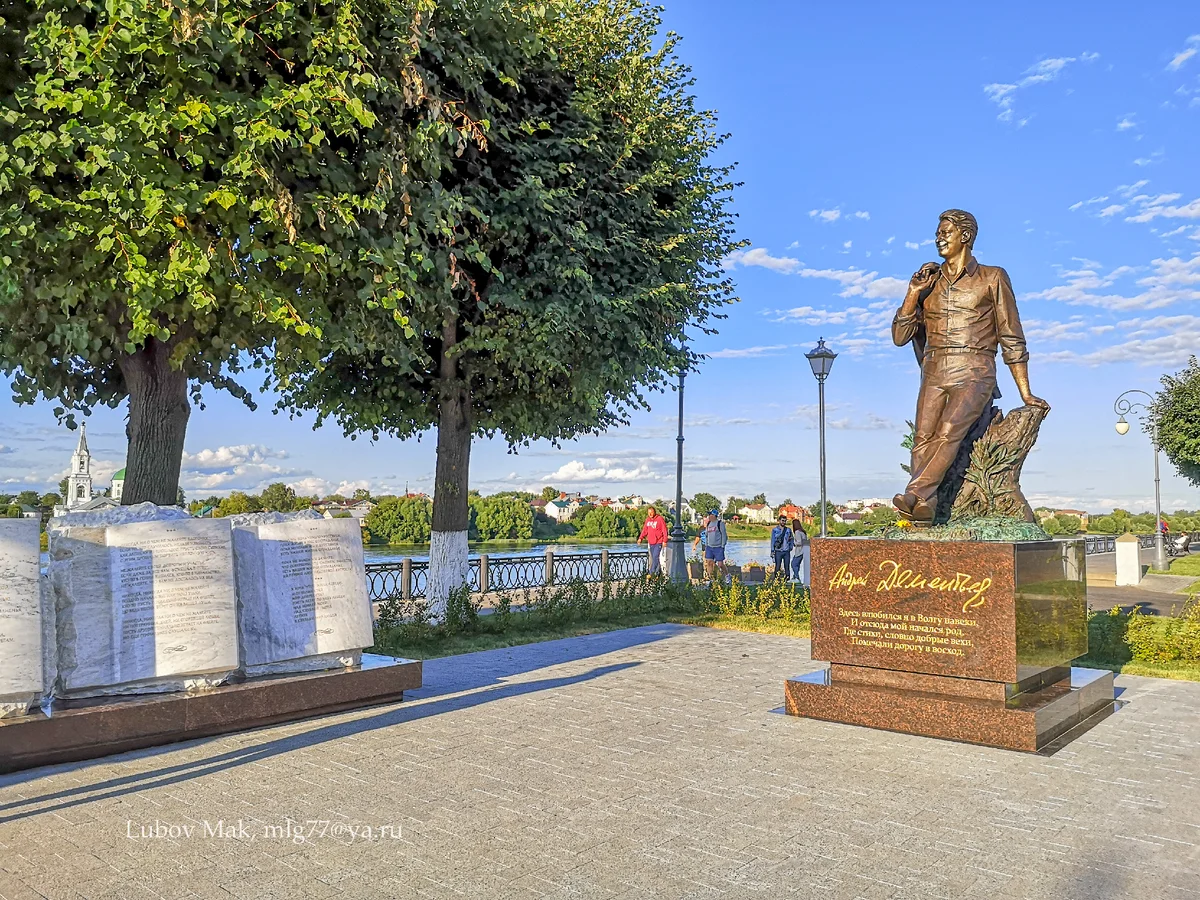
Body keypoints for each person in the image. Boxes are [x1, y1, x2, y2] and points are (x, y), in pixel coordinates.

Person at [891, 209, 1049, 525]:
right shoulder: (928, 284)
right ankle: (925, 509)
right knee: (922, 437)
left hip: (976, 369)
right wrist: (912, 294)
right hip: (935, 369)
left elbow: (1011, 335)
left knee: (949, 430)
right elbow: (900, 336)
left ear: (965, 236)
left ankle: (915, 492)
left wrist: (1026, 392)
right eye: (937, 232)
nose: (939, 237)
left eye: (945, 231)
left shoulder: (993, 277)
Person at [692, 508, 728, 580]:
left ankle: (727, 575)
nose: (709, 516)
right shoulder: (709, 524)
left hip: (718, 547)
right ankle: (711, 579)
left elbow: (724, 535)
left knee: (720, 564)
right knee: (709, 563)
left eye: (710, 515)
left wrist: (722, 546)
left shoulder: (720, 523)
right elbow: (706, 535)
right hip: (709, 547)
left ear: (714, 515)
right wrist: (707, 545)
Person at [637, 505, 668, 575]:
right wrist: (640, 538)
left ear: (654, 512)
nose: (650, 514)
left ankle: (650, 574)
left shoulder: (660, 519)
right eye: (649, 513)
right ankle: (658, 574)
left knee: (655, 556)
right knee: (654, 559)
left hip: (658, 541)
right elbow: (645, 530)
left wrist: (664, 540)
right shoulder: (648, 520)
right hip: (651, 542)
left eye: (651, 512)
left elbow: (664, 530)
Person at [770, 514, 794, 579]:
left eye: (785, 521)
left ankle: (787, 579)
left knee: (787, 566)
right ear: (779, 521)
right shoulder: (775, 530)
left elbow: (792, 538)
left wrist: (791, 547)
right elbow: (773, 540)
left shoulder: (788, 530)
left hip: (786, 551)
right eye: (782, 520)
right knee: (777, 566)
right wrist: (772, 551)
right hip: (778, 550)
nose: (784, 522)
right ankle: (776, 580)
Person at [790, 518, 810, 583]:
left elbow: (799, 542)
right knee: (797, 564)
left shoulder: (797, 532)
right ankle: (795, 577)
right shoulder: (803, 532)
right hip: (804, 551)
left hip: (799, 551)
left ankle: (796, 577)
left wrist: (793, 542)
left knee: (793, 564)